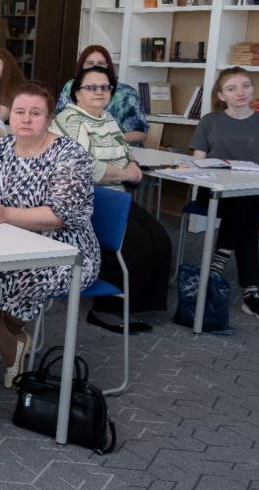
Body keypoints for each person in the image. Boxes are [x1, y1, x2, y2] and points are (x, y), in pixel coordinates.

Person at [0, 83, 101, 387]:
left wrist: (6, 214)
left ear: (49, 118)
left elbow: (60, 216)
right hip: (1, 241)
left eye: (35, 113)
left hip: (64, 250)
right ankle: (11, 341)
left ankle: (8, 339)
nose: (26, 119)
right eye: (19, 112)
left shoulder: (70, 154)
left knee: (13, 274)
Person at [51, 65, 172, 331]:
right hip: (88, 198)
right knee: (137, 245)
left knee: (160, 240)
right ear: (77, 93)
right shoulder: (72, 120)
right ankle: (106, 308)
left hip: (115, 194)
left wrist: (132, 165)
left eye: (105, 87)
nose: (99, 92)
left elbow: (124, 149)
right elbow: (84, 167)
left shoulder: (107, 118)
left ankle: (138, 303)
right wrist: (125, 174)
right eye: (91, 87)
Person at [188, 67, 259, 322]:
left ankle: (217, 262)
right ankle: (252, 293)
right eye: (232, 88)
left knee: (247, 198)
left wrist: (247, 180)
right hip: (216, 192)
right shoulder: (210, 121)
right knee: (246, 210)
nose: (240, 92)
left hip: (255, 190)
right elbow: (197, 164)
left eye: (246, 86)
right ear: (221, 95)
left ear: (253, 89)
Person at [55, 45, 148, 144]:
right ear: (81, 66)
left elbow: (141, 133)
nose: (95, 67)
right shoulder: (70, 87)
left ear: (108, 66)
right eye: (89, 63)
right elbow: (59, 123)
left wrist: (107, 141)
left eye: (101, 63)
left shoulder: (127, 93)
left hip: (119, 151)